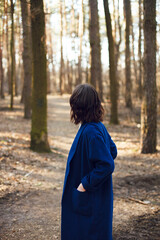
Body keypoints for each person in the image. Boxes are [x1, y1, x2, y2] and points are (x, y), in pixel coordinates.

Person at [61, 83, 117, 240]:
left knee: (87, 234)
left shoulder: (91, 132)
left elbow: (106, 164)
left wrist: (85, 184)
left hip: (91, 200)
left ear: (80, 107)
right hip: (93, 198)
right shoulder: (96, 126)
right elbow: (112, 150)